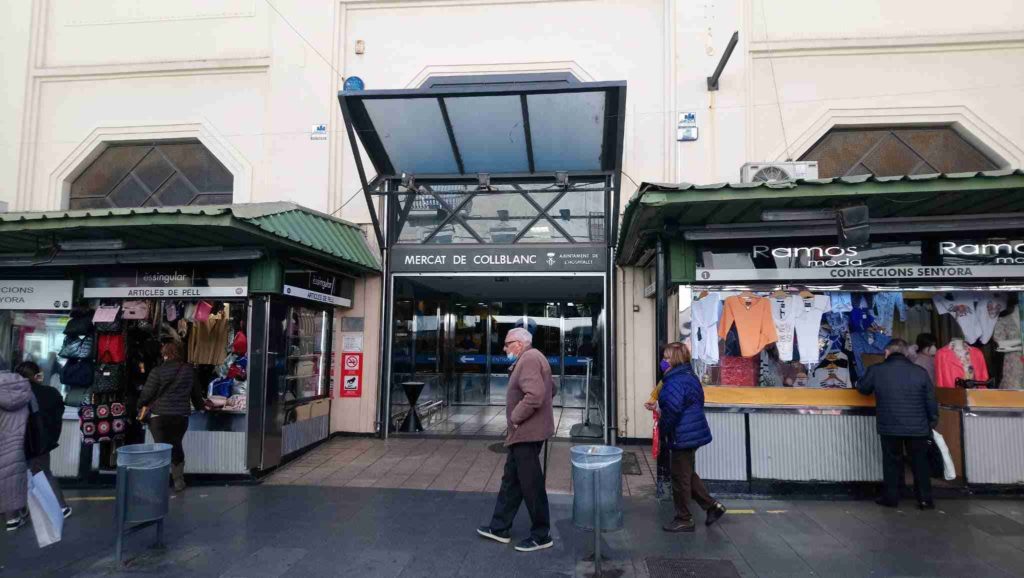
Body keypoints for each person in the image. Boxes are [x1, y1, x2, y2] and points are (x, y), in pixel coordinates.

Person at [477, 327, 555, 552]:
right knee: (511, 480)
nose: (504, 348)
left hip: (526, 433)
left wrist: (515, 416)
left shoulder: (529, 359)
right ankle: (499, 527)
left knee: (531, 485)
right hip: (524, 433)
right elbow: (552, 388)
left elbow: (536, 395)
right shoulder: (535, 357)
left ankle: (542, 534)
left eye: (506, 343)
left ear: (519, 344)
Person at [856, 338, 938, 510]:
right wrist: (932, 421)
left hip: (889, 425)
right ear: (906, 353)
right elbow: (930, 400)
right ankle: (925, 499)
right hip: (918, 426)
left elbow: (863, 389)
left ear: (887, 352)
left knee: (892, 461)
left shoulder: (877, 370)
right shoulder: (920, 371)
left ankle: (891, 497)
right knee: (919, 463)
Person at [658, 342, 727, 532]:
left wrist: (662, 430)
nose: (663, 361)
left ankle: (684, 518)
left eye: (666, 358)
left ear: (675, 359)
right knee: (686, 473)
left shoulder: (675, 380)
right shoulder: (689, 376)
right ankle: (713, 507)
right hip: (691, 431)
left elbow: (672, 409)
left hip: (682, 435)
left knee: (680, 478)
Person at [139, 341, 206, 492]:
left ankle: (159, 480)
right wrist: (201, 408)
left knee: (161, 447)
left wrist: (140, 405)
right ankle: (178, 480)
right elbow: (196, 393)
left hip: (159, 416)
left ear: (165, 354)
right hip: (180, 415)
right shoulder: (189, 370)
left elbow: (147, 394)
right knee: (176, 444)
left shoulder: (157, 371)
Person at [14, 362, 71, 519]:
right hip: (42, 442)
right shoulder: (51, 392)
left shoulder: (15, 393)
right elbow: (59, 409)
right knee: (45, 473)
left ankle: (16, 513)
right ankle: (61, 507)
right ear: (36, 376)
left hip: (18, 441)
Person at [1, 371, 32, 531]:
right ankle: (15, 515)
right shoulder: (23, 387)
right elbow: (35, 414)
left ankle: (11, 518)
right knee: (12, 479)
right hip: (17, 442)